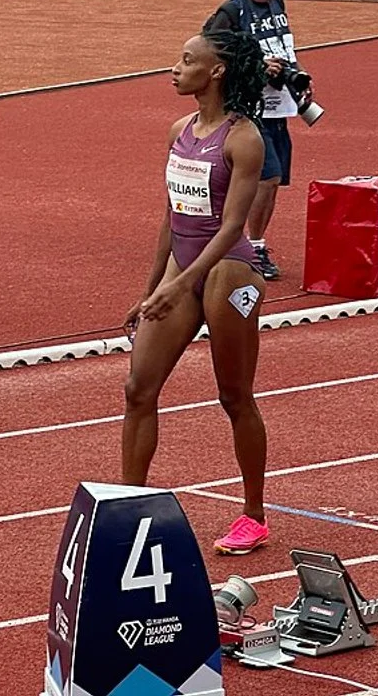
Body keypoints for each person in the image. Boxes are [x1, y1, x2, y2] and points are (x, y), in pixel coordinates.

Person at [122, 29, 271, 555]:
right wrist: (151, 290)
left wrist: (182, 283)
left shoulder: (243, 138)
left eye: (187, 61)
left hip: (229, 273)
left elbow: (232, 228)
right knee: (138, 389)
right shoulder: (179, 130)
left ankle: (254, 515)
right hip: (181, 269)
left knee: (234, 396)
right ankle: (128, 507)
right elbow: (172, 216)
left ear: (216, 71)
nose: (176, 68)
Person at [204, 0, 313, 281]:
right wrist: (256, 66)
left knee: (272, 181)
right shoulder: (232, 11)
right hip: (249, 109)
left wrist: (298, 74)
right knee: (267, 178)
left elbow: (284, 46)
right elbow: (208, 50)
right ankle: (252, 246)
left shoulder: (278, 4)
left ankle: (243, 240)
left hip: (279, 106)